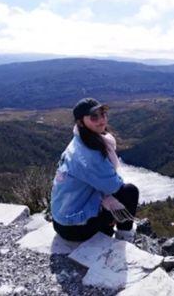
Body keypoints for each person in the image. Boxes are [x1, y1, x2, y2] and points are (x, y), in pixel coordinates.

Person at [51, 97, 139, 242]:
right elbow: (114, 187)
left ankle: (107, 226)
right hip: (74, 229)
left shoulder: (78, 141)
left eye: (103, 114)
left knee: (120, 193)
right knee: (130, 192)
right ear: (80, 122)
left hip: (61, 220)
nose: (101, 120)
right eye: (94, 117)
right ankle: (125, 238)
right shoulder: (89, 155)